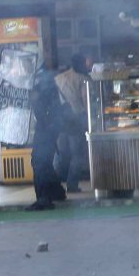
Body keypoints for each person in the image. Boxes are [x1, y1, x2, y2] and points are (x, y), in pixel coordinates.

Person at [26, 66, 67, 211]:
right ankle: (56, 192)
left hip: (46, 128)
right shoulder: (50, 87)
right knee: (43, 161)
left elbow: (43, 112)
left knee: (40, 161)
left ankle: (44, 198)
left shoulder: (42, 89)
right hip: (49, 128)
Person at [55, 54, 92, 193]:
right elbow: (85, 100)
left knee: (60, 154)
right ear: (81, 64)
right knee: (77, 154)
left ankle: (55, 184)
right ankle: (72, 185)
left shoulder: (58, 78)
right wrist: (90, 117)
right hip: (76, 121)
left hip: (59, 121)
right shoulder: (83, 79)